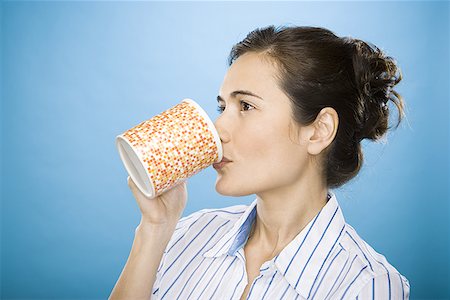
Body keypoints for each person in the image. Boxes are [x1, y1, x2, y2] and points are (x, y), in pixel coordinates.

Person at [109, 25, 410, 300]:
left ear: (318, 131)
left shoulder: (366, 285)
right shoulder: (187, 235)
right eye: (222, 106)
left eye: (246, 106)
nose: (217, 129)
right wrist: (154, 228)